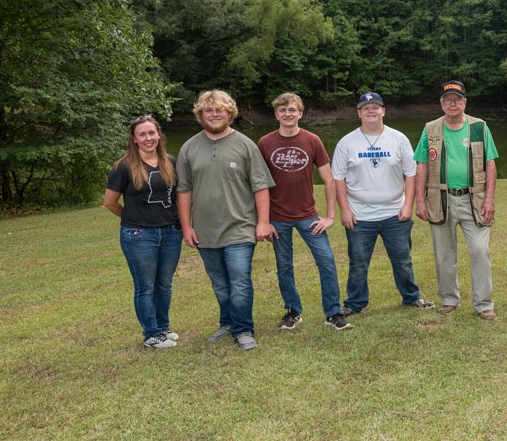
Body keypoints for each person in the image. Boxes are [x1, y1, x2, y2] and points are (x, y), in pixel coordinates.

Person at [176, 90, 275, 351]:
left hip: (240, 227)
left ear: (230, 112)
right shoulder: (189, 148)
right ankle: (228, 322)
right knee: (220, 283)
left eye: (220, 109)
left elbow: (260, 187)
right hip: (206, 231)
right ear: (201, 114)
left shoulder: (245, 145)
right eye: (209, 110)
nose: (215, 114)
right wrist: (187, 226)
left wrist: (263, 222)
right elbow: (183, 190)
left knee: (240, 279)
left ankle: (243, 330)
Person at [332, 92, 434, 318]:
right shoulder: (346, 142)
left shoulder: (398, 139)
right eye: (365, 107)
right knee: (358, 263)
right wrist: (345, 210)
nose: (371, 111)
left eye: (375, 107)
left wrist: (408, 205)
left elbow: (411, 173)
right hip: (360, 215)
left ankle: (411, 297)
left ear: (383, 111)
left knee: (403, 260)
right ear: (358, 112)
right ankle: (355, 303)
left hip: (394, 214)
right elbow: (338, 178)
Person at [258, 93, 352, 331]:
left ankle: (333, 313)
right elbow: (258, 184)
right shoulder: (265, 143)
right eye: (282, 110)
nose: (287, 114)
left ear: (300, 113)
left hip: (308, 217)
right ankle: (292, 311)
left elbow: (329, 179)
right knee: (284, 266)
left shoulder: (312, 140)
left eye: (292, 110)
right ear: (276, 114)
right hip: (277, 218)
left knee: (327, 261)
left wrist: (330, 216)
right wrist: (263, 221)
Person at [414, 81, 499, 320]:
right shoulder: (430, 129)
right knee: (443, 253)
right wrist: (420, 201)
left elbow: (491, 165)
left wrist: (490, 200)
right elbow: (421, 166)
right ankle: (449, 299)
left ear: (465, 102)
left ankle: (484, 304)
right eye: (448, 99)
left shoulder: (479, 127)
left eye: (457, 99)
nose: (453, 104)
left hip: (475, 200)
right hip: (440, 199)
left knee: (480, 251)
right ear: (441, 103)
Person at [103, 115, 183, 348]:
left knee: (164, 283)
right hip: (139, 235)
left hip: (170, 232)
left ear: (159, 135)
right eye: (142, 134)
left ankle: (163, 327)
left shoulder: (170, 162)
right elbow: (109, 202)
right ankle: (151, 334)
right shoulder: (124, 167)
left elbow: (178, 197)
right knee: (145, 285)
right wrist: (133, 220)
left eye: (152, 133)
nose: (148, 138)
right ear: (134, 139)